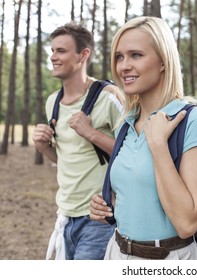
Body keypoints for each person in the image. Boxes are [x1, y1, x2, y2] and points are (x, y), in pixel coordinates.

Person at [89, 16, 197, 260]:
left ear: (163, 61)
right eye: (119, 56)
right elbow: (138, 195)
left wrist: (158, 145)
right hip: (116, 253)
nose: (124, 66)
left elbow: (186, 223)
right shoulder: (125, 124)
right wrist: (107, 205)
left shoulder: (193, 120)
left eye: (136, 55)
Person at [32, 22, 124, 260]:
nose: (53, 57)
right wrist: (43, 147)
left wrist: (91, 133)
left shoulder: (109, 97)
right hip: (64, 215)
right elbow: (66, 158)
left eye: (61, 51)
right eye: (52, 51)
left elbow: (135, 153)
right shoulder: (52, 101)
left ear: (84, 55)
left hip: (99, 218)